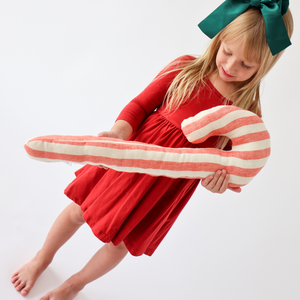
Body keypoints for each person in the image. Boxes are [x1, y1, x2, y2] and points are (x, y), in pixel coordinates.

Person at [11, 2, 293, 300]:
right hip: (133, 156)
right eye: (227, 51)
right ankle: (42, 258)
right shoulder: (184, 69)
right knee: (78, 210)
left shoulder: (248, 111)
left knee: (120, 243)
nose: (231, 66)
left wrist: (219, 184)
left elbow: (239, 163)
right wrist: (119, 133)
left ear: (266, 65)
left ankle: (74, 285)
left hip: (168, 184)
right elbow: (141, 105)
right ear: (219, 37)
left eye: (246, 65)